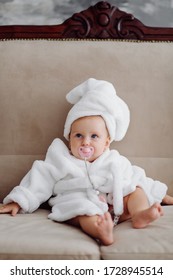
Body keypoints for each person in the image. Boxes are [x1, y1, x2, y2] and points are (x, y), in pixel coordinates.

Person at [0, 78, 173, 246]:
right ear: (69, 138)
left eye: (94, 136)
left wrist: (159, 194)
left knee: (136, 191)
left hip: (115, 204)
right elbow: (40, 178)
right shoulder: (61, 158)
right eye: (78, 135)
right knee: (83, 211)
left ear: (107, 142)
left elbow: (135, 177)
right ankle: (99, 231)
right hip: (79, 200)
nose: (86, 142)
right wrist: (19, 200)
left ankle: (140, 214)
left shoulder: (114, 160)